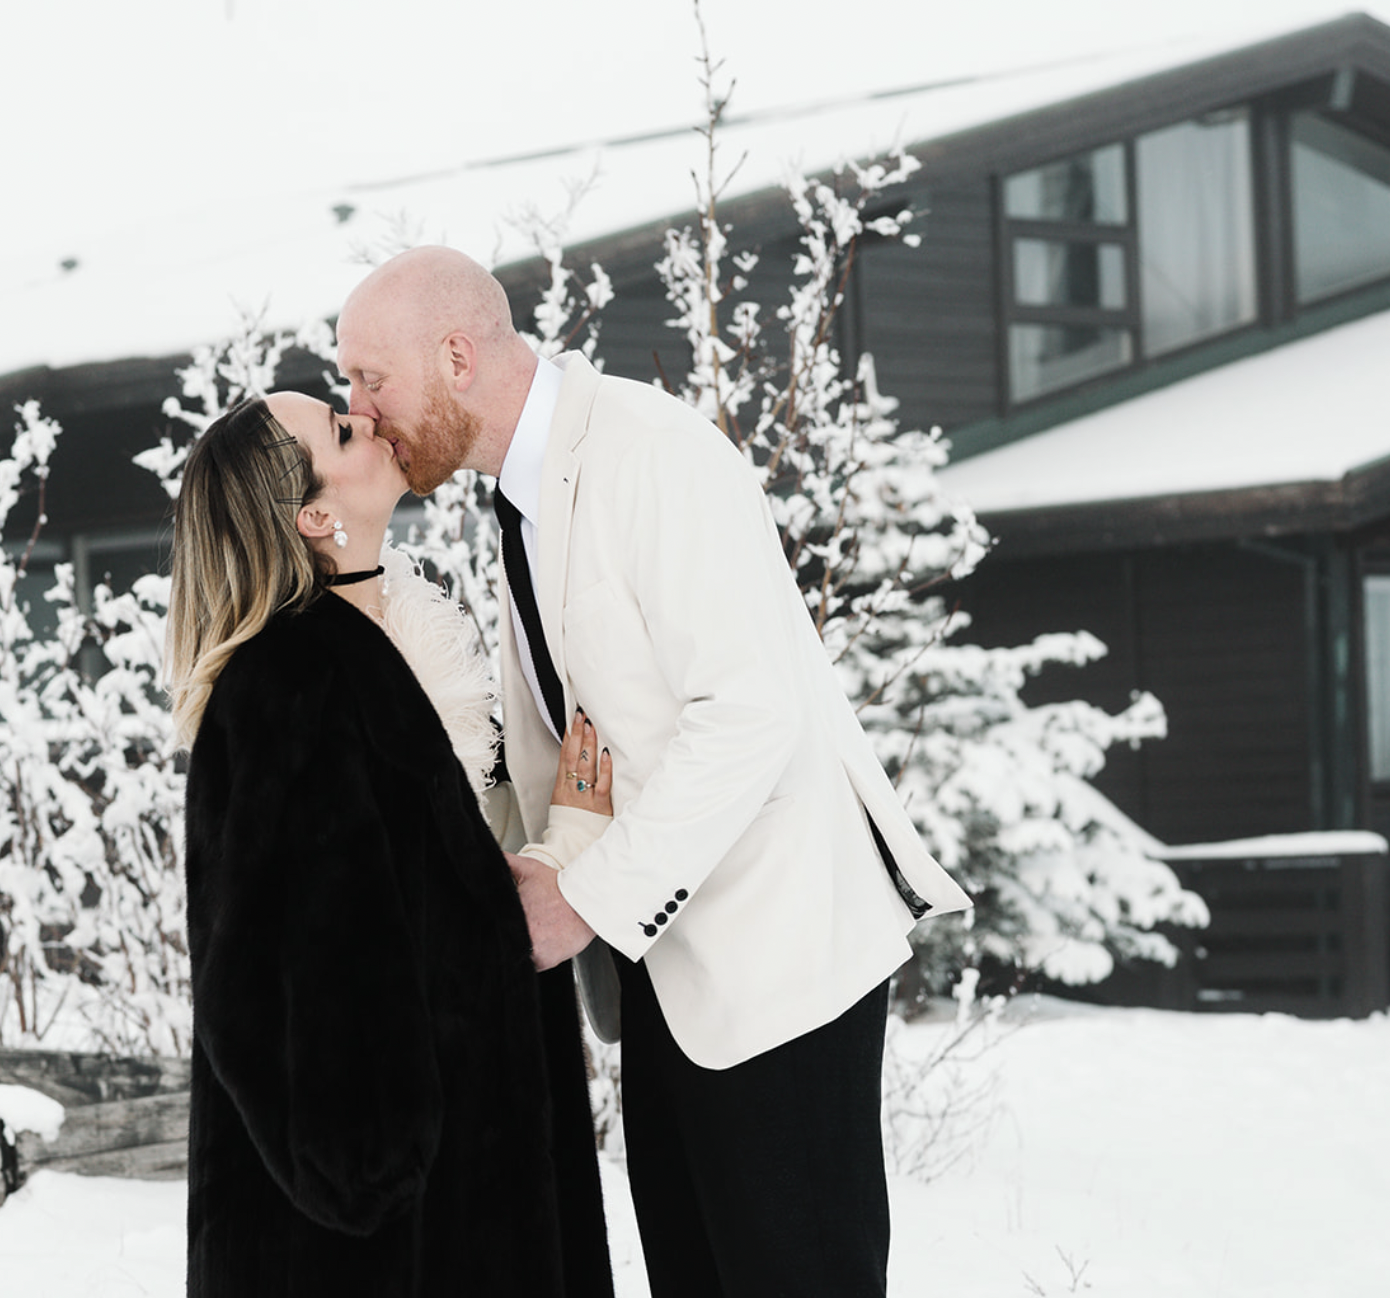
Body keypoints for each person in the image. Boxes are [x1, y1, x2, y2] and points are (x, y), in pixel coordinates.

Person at [335, 246, 975, 1298]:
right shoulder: (520, 502)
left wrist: (581, 896)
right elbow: (593, 741)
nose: (358, 408)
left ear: (455, 355)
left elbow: (750, 712)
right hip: (661, 967)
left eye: (370, 376)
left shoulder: (652, 454)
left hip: (776, 960)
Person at [165, 391, 615, 1297]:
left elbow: (454, 893)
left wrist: (571, 840)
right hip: (373, 1228)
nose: (367, 419)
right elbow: (260, 972)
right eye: (340, 431)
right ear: (316, 516)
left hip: (479, 1164)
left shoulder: (422, 642)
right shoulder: (281, 686)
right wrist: (371, 1169)